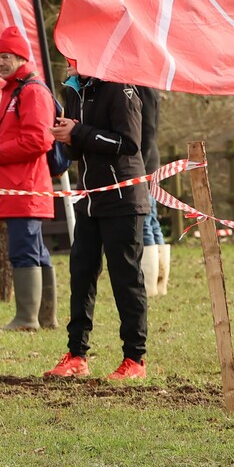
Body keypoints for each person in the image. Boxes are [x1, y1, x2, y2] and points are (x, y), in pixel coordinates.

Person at [46, 74, 150, 380]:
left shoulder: (120, 87)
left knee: (126, 279)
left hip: (123, 199)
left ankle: (135, 359)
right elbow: (77, 152)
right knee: (81, 276)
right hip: (89, 200)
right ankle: (76, 355)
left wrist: (79, 131)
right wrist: (67, 138)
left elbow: (128, 142)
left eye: (73, 56)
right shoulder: (73, 90)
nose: (68, 63)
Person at [0, 28, 58, 331]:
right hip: (16, 184)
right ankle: (45, 318)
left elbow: (39, 140)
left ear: (21, 57)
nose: (1, 62)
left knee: (24, 250)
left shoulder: (31, 92)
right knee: (35, 249)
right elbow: (15, 134)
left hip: (25, 186)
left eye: (6, 56)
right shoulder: (15, 90)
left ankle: (27, 319)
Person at [136, 85, 171, 297]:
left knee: (146, 222)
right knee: (152, 220)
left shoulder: (144, 87)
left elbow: (148, 130)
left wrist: (140, 166)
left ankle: (151, 284)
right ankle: (158, 283)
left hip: (145, 163)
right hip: (147, 161)